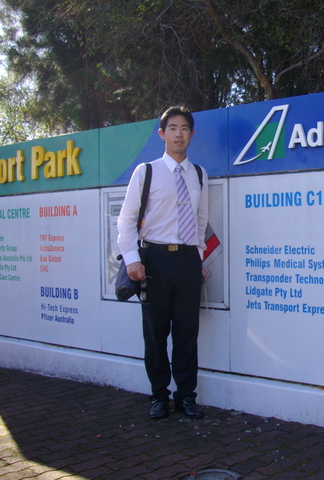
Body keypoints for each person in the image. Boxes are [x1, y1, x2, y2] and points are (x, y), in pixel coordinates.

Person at [117, 106, 208, 420]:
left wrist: (197, 258)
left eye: (184, 128)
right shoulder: (147, 171)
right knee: (155, 333)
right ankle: (159, 396)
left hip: (186, 260)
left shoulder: (198, 173)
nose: (178, 134)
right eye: (172, 128)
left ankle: (186, 397)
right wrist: (132, 260)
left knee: (186, 333)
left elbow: (200, 221)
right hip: (153, 260)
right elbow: (126, 221)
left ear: (192, 134)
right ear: (162, 134)